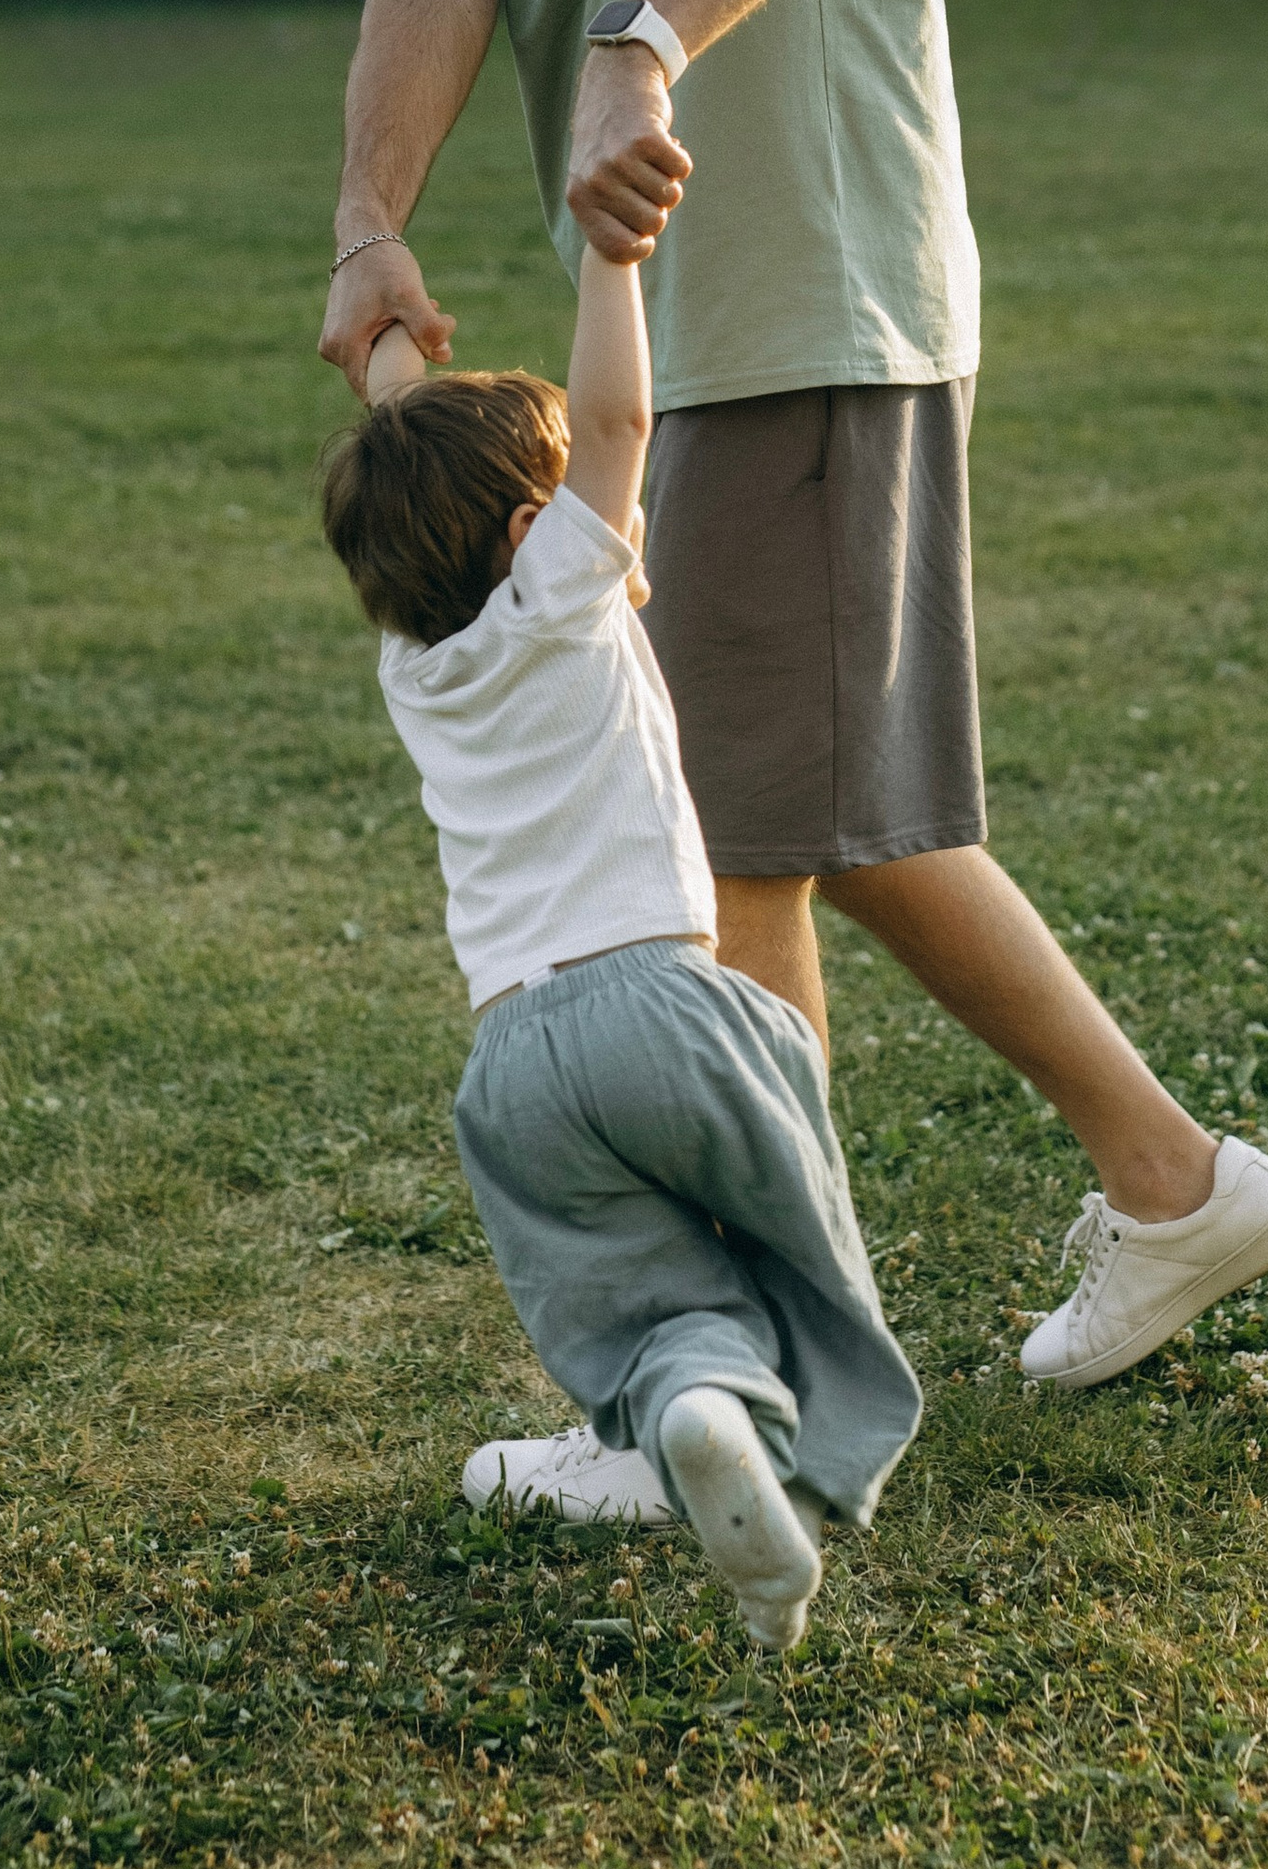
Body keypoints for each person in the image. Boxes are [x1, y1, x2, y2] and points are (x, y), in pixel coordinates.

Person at [320, 0, 1268, 1497]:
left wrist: (646, 32)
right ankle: (1100, 1216)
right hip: (692, 328)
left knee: (767, 837)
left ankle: (768, 1362)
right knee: (800, 828)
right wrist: (370, 213)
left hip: (807, 300)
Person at [321, 251, 921, 1648]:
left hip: (515, 1072)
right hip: (661, 1003)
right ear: (544, 525)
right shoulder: (569, 601)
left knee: (651, 1304)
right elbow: (618, 428)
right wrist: (614, 258)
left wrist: (388, 354)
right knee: (793, 1256)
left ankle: (691, 1413)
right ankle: (795, 1457)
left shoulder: (417, 666)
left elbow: (429, 473)